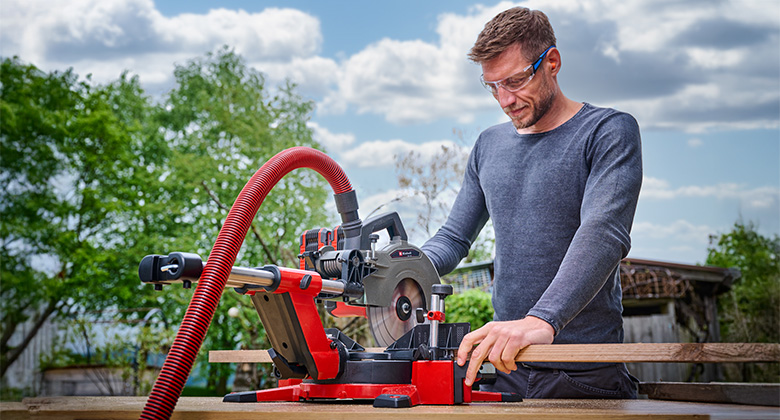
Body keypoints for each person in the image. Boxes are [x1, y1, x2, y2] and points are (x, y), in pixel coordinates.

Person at [421, 6, 642, 399]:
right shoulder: (489, 144)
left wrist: (542, 320)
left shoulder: (607, 131)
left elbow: (604, 232)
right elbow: (453, 238)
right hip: (505, 367)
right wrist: (395, 268)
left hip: (583, 373)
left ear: (552, 62)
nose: (505, 99)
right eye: (493, 86)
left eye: (515, 80)